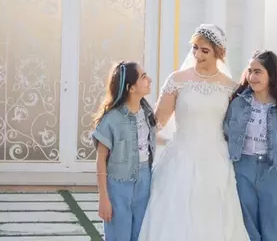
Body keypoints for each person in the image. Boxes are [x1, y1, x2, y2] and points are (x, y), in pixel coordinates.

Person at [139, 24, 250, 241]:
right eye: (195, 48)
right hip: (180, 158)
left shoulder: (231, 87)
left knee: (213, 216)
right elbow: (157, 122)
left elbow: (238, 127)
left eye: (205, 50)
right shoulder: (177, 80)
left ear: (219, 53)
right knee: (175, 214)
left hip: (216, 160)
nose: (198, 55)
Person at [225, 50, 277, 241]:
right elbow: (224, 136)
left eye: (258, 72)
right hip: (243, 169)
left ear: (272, 75)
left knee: (273, 229)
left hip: (272, 173)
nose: (252, 76)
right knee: (247, 227)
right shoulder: (237, 104)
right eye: (250, 71)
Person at [92, 61, 157, 241]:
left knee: (141, 235)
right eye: (143, 77)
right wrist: (103, 198)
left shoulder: (148, 113)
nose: (149, 80)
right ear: (131, 88)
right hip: (118, 187)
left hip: (145, 182)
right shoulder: (111, 119)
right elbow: (100, 160)